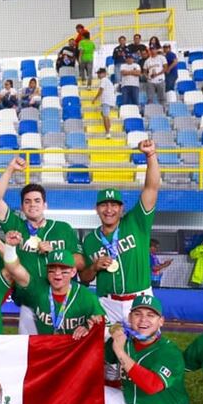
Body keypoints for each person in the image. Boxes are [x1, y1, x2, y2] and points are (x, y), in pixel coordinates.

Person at [0, 156, 83, 333]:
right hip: (29, 303)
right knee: (30, 353)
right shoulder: (16, 226)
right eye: (27, 201)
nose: (32, 204)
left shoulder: (63, 228)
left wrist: (55, 251)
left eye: (37, 200)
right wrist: (10, 168)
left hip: (61, 303)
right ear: (22, 206)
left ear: (45, 204)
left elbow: (80, 262)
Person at [80, 140, 161, 327]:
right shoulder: (90, 240)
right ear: (97, 209)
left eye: (114, 205)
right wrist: (94, 267)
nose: (109, 209)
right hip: (107, 303)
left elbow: (151, 188)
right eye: (104, 205)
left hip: (140, 300)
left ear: (121, 208)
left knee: (142, 347)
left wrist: (151, 155)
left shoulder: (136, 222)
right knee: (104, 350)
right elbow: (84, 278)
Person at [3, 248, 105, 338]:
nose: (57, 273)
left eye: (63, 270)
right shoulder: (38, 288)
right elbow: (15, 269)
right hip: (47, 350)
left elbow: (102, 324)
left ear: (73, 272)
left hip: (74, 352)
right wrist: (10, 247)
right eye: (52, 269)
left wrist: (88, 327)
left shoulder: (86, 296)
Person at [95, 67, 116, 137]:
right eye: (98, 73)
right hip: (110, 101)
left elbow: (101, 90)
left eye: (99, 73)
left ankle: (107, 132)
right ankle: (109, 129)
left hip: (106, 101)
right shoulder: (108, 81)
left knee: (105, 116)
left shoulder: (104, 80)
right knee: (104, 114)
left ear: (104, 74)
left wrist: (94, 99)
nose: (98, 75)